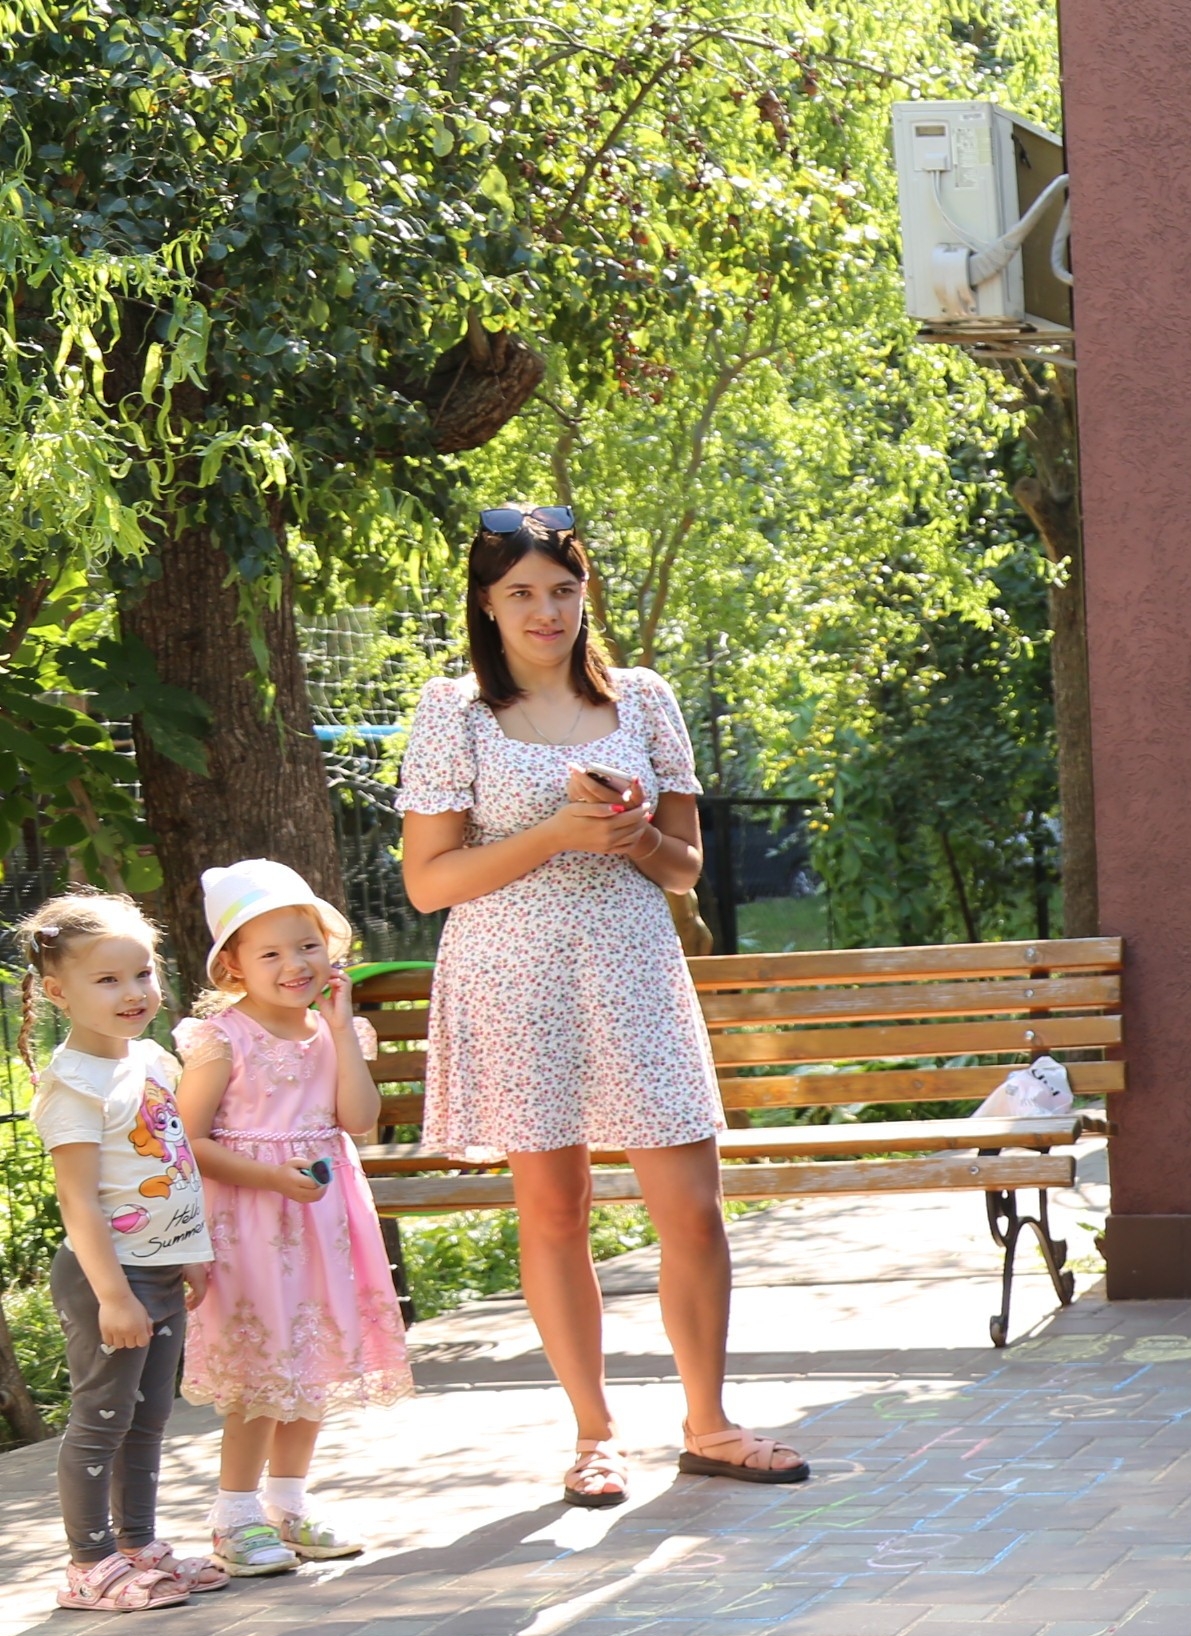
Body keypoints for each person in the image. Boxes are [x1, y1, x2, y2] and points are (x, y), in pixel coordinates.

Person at [393, 506, 803, 1506]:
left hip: (630, 963)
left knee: (693, 1213)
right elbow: (429, 883)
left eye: (563, 591)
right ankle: (594, 1436)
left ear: (586, 595)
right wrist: (559, 833)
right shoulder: (454, 712)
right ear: (487, 605)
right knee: (554, 1210)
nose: (547, 612)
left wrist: (630, 839)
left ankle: (709, 1423)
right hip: (512, 971)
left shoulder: (646, 699)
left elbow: (687, 864)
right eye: (522, 593)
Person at [172, 862, 410, 1574]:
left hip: (324, 1222)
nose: (293, 965)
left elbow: (360, 1121)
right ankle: (234, 1516)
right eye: (269, 953)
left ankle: (288, 1501)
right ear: (234, 966)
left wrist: (340, 1030)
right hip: (251, 1222)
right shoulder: (222, 1038)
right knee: (259, 1371)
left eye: (306, 946)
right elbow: (189, 1141)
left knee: (313, 1359)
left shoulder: (337, 1031)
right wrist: (270, 1176)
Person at [18, 892, 226, 1612]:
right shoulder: (71, 1085)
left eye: (142, 973)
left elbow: (170, 1164)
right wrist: (113, 1294)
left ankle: (138, 1544)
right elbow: (78, 1201)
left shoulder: (153, 1061)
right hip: (109, 1276)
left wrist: (189, 1251)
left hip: (161, 1269)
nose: (133, 992)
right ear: (57, 993)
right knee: (101, 1418)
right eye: (107, 980)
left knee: (148, 1419)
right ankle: (89, 1563)